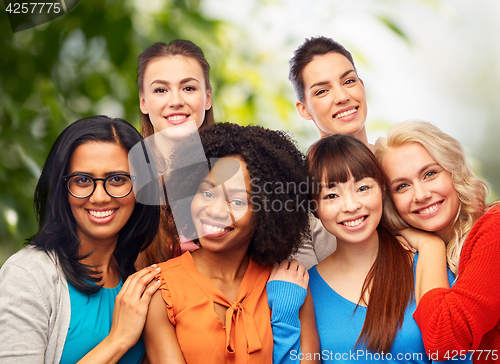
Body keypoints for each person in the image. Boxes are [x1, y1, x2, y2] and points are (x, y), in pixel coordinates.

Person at [142, 123, 319, 363]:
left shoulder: (289, 284)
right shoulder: (160, 291)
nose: (214, 210)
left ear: (266, 213)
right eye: (206, 193)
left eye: (236, 201)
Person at [0, 116, 161, 364]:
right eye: (83, 180)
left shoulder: (138, 276)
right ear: (63, 190)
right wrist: (118, 340)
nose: (99, 197)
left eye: (117, 179)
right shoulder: (28, 274)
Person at [305, 134, 467, 363]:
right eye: (331, 195)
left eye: (362, 188)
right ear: (315, 208)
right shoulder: (307, 288)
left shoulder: (427, 262)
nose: (351, 206)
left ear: (382, 191)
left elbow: (455, 355)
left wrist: (431, 246)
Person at [374, 120, 500, 363]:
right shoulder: (411, 259)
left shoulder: (494, 228)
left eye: (430, 174)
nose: (421, 195)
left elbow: (445, 340)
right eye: (402, 186)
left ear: (454, 172)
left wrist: (430, 246)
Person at [288, 36, 370, 269]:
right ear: (304, 109)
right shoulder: (299, 191)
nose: (342, 97)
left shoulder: (399, 162)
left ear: (362, 86)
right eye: (322, 91)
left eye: (349, 81)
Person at [135, 39, 215, 268]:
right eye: (161, 90)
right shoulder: (125, 174)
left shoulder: (236, 168)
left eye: (188, 88)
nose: (176, 101)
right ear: (144, 102)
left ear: (207, 98)